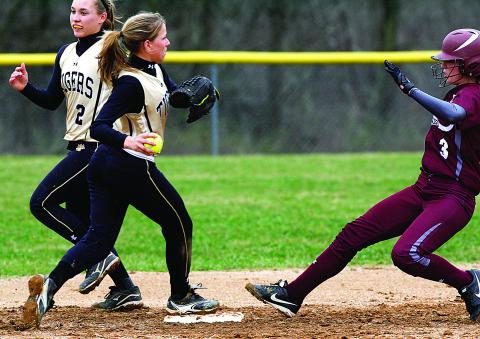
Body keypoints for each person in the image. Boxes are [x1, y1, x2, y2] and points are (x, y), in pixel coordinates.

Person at [245, 28, 480, 321]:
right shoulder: (459, 91)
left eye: (451, 61)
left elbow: (456, 114)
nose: (444, 66)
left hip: (453, 198)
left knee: (407, 254)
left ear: (472, 65)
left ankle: (469, 282)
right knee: (353, 234)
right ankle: (291, 295)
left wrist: (412, 91)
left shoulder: (475, 95)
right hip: (425, 188)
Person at [22, 12, 219, 327]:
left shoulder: (154, 69)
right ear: (146, 44)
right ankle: (180, 296)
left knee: (98, 240)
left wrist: (192, 97)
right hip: (128, 164)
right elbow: (99, 126)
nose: (168, 41)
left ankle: (48, 287)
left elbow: (168, 97)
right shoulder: (129, 82)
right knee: (179, 223)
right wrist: (129, 142)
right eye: (163, 37)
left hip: (106, 165)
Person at [9, 0, 143, 311]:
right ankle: (125, 287)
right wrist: (26, 88)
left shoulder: (113, 46)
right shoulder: (65, 52)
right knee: (87, 225)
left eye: (84, 12)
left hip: (98, 147)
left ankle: (100, 258)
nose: (76, 18)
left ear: (103, 16)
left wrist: (177, 93)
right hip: (77, 145)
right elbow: (52, 100)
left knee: (41, 203)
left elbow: (146, 73)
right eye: (73, 11)